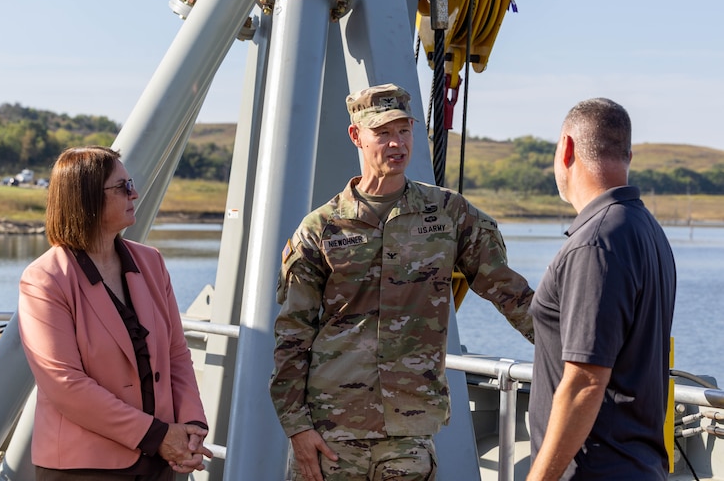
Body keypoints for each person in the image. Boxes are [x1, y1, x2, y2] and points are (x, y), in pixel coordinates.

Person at [269, 83, 534, 480]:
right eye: (383, 132)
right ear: (357, 136)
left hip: (409, 433)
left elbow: (511, 293)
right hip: (332, 432)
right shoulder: (321, 230)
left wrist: (575, 349)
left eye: (404, 131)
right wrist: (298, 428)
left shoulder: (449, 214)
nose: (397, 143)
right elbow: (292, 335)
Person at [17, 146, 212, 480]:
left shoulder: (151, 262)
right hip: (84, 466)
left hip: (161, 461)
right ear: (86, 196)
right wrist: (157, 436)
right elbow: (65, 384)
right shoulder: (45, 279)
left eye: (130, 183)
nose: (134, 193)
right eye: (122, 187)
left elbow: (176, 353)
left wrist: (192, 424)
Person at [527, 98, 676, 480]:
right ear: (628, 154)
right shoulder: (645, 230)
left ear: (567, 149)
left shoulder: (595, 243)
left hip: (595, 471)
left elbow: (585, 382)